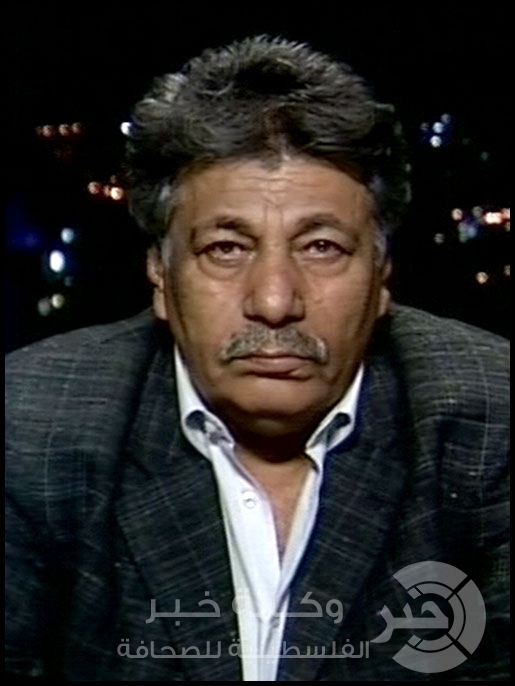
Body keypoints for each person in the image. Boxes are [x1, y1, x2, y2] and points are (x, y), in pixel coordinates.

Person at [5, 35, 509, 682]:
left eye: (322, 247)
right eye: (225, 248)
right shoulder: (30, 427)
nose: (274, 302)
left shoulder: (492, 421)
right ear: (160, 274)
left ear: (382, 275)